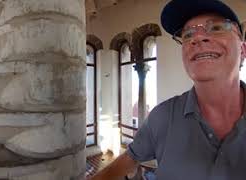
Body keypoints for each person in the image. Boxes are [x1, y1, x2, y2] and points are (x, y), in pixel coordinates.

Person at [90, 0, 246, 179]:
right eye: (187, 34)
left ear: (243, 50)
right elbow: (128, 159)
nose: (197, 38)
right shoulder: (162, 117)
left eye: (217, 28)